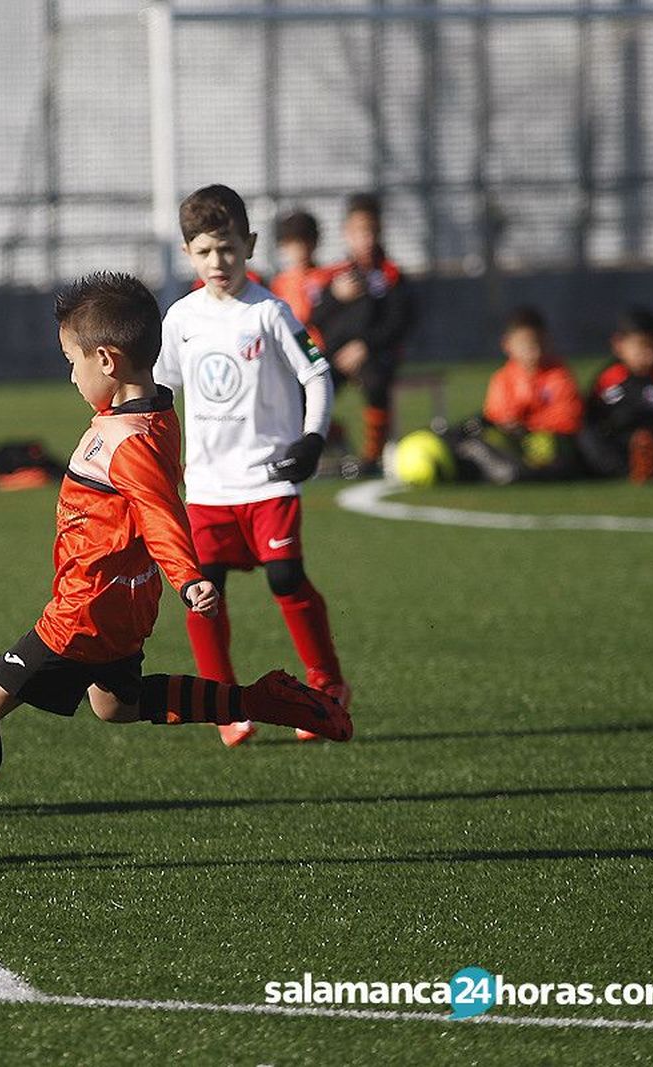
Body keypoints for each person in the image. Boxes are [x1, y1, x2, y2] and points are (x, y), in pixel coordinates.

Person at [0, 272, 352, 876]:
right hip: (122, 601)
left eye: (72, 362)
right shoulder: (151, 413)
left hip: (84, 610)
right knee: (116, 705)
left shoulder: (130, 439)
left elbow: (159, 512)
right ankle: (256, 700)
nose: (71, 376)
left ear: (106, 359)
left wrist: (189, 577)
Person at [156, 184, 350, 748]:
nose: (218, 261)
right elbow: (162, 392)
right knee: (203, 591)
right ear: (188, 253)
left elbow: (316, 374)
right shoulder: (181, 318)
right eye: (205, 251)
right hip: (208, 487)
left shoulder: (269, 311)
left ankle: (327, 685)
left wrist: (311, 439)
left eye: (228, 248)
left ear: (250, 245)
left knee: (285, 577)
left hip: (269, 478)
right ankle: (224, 702)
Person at [310, 192, 416, 475]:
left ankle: (373, 455)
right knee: (307, 383)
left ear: (379, 231)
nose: (365, 238)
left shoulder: (391, 275)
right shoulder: (337, 276)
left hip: (376, 354)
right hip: (336, 355)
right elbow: (315, 318)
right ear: (347, 233)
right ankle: (325, 438)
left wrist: (366, 345)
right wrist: (335, 296)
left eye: (370, 231)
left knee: (375, 381)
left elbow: (400, 323)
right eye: (359, 232)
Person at [451, 306, 584, 484]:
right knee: (486, 436)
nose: (534, 350)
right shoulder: (503, 378)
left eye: (538, 343)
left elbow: (568, 417)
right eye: (526, 344)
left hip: (548, 442)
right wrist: (515, 420)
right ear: (507, 344)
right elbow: (498, 416)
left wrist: (530, 423)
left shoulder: (559, 374)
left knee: (554, 448)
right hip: (513, 442)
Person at [579, 307, 653, 483]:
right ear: (619, 344)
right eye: (642, 346)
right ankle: (625, 471)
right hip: (617, 449)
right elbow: (590, 422)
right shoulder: (607, 380)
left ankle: (648, 467)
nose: (649, 355)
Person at [267, 209, 330, 349]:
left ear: (315, 242)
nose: (300, 250)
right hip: (287, 347)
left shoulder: (326, 278)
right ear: (283, 246)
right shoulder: (278, 283)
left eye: (305, 242)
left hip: (317, 348)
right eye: (293, 244)